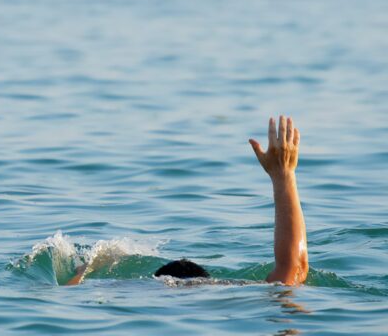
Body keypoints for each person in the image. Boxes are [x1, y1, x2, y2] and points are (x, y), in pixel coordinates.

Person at [66, 116, 308, 286]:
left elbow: (71, 296)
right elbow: (293, 272)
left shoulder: (140, 292)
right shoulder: (227, 291)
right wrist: (283, 175)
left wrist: (83, 271)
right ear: (207, 281)